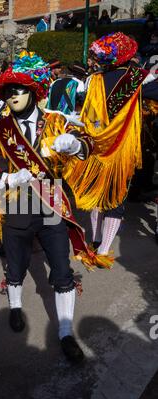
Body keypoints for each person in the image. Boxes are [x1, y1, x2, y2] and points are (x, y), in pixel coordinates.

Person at [0, 51, 108, 365]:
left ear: (35, 92)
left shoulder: (56, 120)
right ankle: (14, 307)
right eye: (8, 91)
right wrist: (10, 177)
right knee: (15, 265)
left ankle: (66, 332)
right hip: (16, 207)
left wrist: (77, 146)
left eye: (19, 89)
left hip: (53, 204)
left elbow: (91, 144)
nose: (12, 96)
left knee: (62, 270)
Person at [61, 33, 158, 258]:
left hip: (95, 145)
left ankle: (94, 240)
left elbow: (86, 110)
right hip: (120, 148)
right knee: (115, 196)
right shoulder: (136, 77)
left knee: (98, 194)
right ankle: (103, 249)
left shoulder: (94, 80)